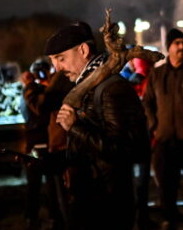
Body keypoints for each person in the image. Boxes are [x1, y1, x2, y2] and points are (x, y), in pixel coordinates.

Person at [47, 21, 150, 230]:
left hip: (107, 205)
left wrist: (74, 127)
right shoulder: (88, 88)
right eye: (53, 61)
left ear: (83, 50)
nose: (56, 67)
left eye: (61, 58)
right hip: (90, 198)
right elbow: (89, 151)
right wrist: (54, 163)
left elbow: (123, 149)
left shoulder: (112, 89)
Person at [142, 28, 183, 229]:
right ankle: (169, 216)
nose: (181, 47)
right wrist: (154, 126)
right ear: (168, 47)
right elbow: (148, 102)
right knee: (166, 183)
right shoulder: (158, 74)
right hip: (164, 138)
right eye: (176, 43)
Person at [21, 59, 64, 228]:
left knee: (52, 185)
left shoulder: (52, 91)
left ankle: (54, 217)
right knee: (36, 184)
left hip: (49, 144)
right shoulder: (34, 93)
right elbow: (33, 111)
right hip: (37, 144)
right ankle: (34, 217)